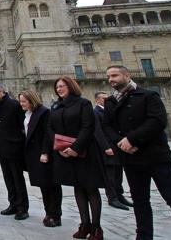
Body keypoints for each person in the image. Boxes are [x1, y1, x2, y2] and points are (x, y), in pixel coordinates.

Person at [103, 65, 171, 240]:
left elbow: (157, 121)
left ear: (127, 75)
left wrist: (131, 139)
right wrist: (121, 142)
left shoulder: (148, 95)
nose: (111, 79)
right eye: (109, 77)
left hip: (156, 157)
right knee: (140, 202)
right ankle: (143, 237)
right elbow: (107, 126)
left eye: (115, 75)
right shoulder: (111, 102)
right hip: (131, 158)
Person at [49, 76, 105, 240]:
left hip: (84, 152)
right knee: (78, 188)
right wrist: (60, 146)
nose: (59, 89)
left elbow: (88, 126)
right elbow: (50, 127)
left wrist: (75, 148)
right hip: (64, 152)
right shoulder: (56, 106)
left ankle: (96, 228)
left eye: (62, 86)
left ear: (71, 86)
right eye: (57, 87)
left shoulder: (83, 103)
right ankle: (84, 224)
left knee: (90, 188)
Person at [19, 90, 62, 227]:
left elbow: (48, 135)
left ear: (31, 101)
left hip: (43, 154)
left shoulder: (44, 112)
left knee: (51, 185)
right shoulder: (27, 113)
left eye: (23, 102)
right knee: (43, 185)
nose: (21, 104)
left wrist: (45, 152)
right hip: (32, 154)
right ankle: (48, 213)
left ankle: (55, 215)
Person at [0, 83, 28, 220]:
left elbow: (22, 125)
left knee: (17, 178)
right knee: (8, 178)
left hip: (14, 147)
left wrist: (18, 141)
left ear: (1, 91)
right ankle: (13, 204)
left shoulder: (14, 105)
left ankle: (22, 207)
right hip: (1, 148)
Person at [93, 91, 133, 211]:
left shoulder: (110, 111)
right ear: (97, 100)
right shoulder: (96, 113)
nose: (107, 100)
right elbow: (98, 132)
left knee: (118, 172)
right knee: (109, 174)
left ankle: (119, 195)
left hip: (117, 147)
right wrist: (106, 147)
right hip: (107, 148)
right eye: (104, 98)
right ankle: (112, 197)